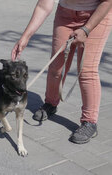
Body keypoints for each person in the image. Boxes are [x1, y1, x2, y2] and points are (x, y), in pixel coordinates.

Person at [11, 0, 112, 144]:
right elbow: (43, 6)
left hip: (97, 14)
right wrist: (25, 37)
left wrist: (86, 29)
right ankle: (51, 104)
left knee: (86, 72)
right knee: (55, 68)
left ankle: (90, 122)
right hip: (66, 14)